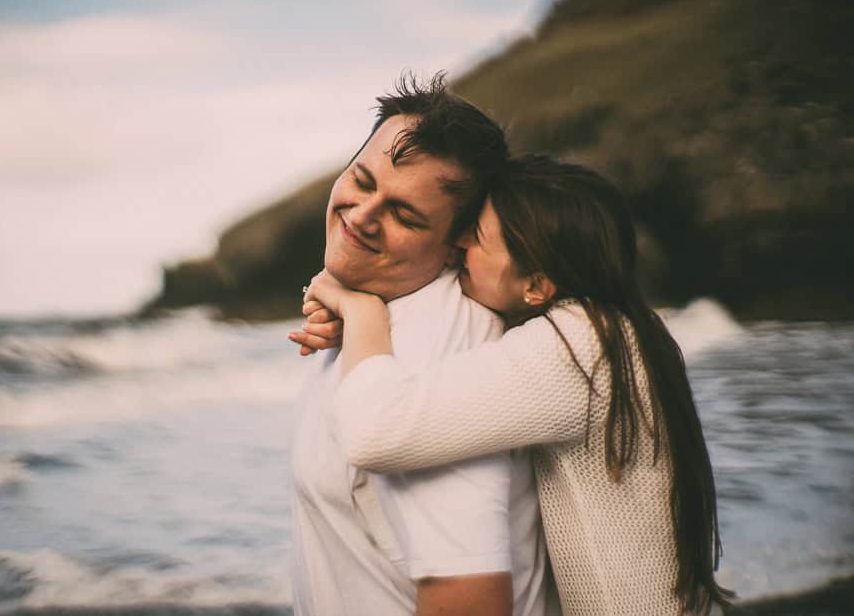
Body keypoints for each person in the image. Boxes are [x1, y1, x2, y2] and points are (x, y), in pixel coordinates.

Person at [302, 154, 734, 615]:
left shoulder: (578, 346)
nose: (459, 244)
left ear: (537, 286)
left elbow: (378, 432)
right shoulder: (618, 331)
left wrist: (361, 309)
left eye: (479, 237)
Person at [288, 77, 558, 615]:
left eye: (404, 215)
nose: (362, 215)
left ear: (457, 244)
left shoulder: (440, 354)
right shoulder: (378, 314)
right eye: (361, 181)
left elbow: (470, 601)